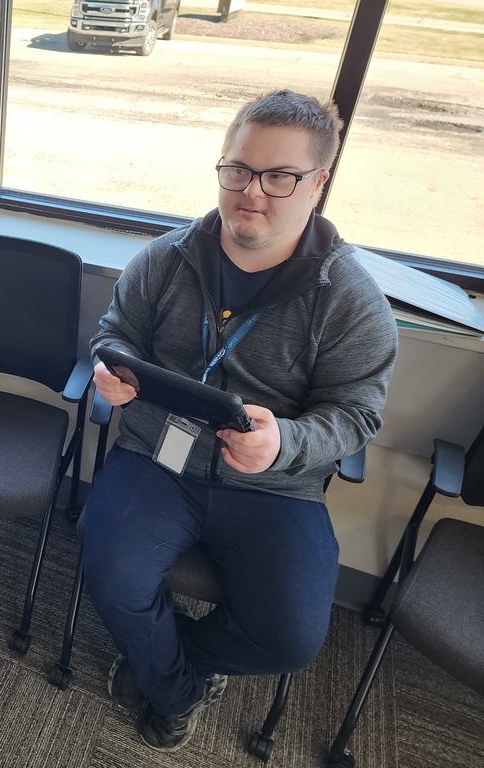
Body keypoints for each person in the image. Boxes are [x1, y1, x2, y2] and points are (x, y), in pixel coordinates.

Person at [80, 89, 398, 753]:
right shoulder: (165, 259)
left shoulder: (350, 301)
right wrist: (112, 368)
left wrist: (287, 441)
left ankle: (172, 662)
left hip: (271, 485)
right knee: (110, 576)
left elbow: (357, 415)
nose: (252, 191)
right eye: (239, 169)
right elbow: (115, 332)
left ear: (319, 184)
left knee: (291, 637)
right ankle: (176, 692)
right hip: (156, 461)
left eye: (280, 176)